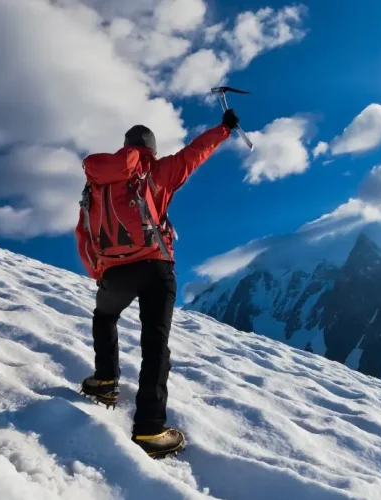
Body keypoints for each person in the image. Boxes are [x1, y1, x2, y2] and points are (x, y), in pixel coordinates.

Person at [75, 109, 239, 458]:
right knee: (155, 344)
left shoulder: (95, 185)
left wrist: (101, 273)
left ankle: (104, 382)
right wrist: (224, 129)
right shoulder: (158, 172)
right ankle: (150, 430)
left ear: (125, 147)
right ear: (149, 148)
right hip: (156, 265)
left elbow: (83, 234)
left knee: (104, 317)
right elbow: (196, 152)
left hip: (115, 270)